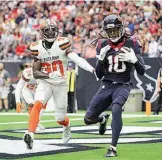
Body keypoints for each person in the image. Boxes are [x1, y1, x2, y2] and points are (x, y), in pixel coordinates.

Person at [23, 19, 95, 149]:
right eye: (47, 30)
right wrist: (48, 75)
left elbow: (76, 58)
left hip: (61, 84)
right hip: (45, 81)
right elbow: (35, 72)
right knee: (37, 104)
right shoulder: (37, 47)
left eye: (52, 29)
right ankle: (30, 134)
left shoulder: (62, 43)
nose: (51, 33)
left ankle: (67, 126)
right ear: (42, 33)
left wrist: (91, 69)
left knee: (60, 118)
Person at [84, 14, 145, 157]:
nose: (112, 34)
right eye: (109, 31)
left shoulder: (132, 42)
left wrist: (135, 60)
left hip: (123, 83)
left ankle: (113, 147)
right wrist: (100, 60)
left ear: (122, 29)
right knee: (88, 119)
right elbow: (99, 75)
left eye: (115, 30)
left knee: (116, 109)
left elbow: (142, 71)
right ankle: (102, 119)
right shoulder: (102, 44)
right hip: (107, 83)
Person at [15, 65, 45, 132]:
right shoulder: (26, 73)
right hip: (27, 89)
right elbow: (19, 87)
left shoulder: (43, 74)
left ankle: (37, 122)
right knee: (31, 104)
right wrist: (18, 101)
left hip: (38, 89)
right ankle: (35, 124)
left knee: (42, 104)